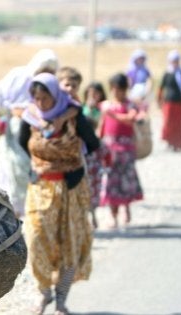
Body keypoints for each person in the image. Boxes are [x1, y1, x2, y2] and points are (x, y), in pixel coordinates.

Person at [18, 73, 99, 315]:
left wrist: (69, 156)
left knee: (69, 245)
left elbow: (93, 143)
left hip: (69, 190)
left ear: (56, 96)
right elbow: (24, 142)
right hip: (40, 189)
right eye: (37, 98)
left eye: (46, 98)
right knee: (35, 240)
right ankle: (44, 294)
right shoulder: (31, 117)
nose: (41, 103)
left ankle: (61, 300)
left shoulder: (73, 116)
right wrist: (42, 163)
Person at [0, 48, 59, 217]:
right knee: (13, 172)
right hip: (15, 132)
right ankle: (15, 217)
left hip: (39, 134)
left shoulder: (50, 84)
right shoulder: (18, 75)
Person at [99, 73, 144, 228]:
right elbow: (102, 126)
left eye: (121, 90)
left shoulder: (129, 105)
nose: (118, 93)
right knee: (111, 181)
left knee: (126, 181)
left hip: (126, 149)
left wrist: (113, 114)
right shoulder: (106, 105)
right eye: (115, 89)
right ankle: (113, 216)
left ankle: (126, 209)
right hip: (110, 148)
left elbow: (131, 118)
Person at [82, 82, 108, 228]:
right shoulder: (81, 110)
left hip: (93, 171)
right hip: (87, 171)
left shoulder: (101, 110)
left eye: (96, 94)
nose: (93, 97)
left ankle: (92, 216)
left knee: (92, 195)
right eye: (90, 94)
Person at [157, 50, 181, 152]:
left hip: (179, 103)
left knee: (179, 124)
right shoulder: (167, 74)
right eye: (173, 60)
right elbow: (161, 88)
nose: (175, 62)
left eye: (176, 60)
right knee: (168, 123)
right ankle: (169, 142)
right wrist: (159, 100)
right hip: (168, 103)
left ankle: (178, 144)